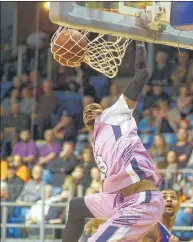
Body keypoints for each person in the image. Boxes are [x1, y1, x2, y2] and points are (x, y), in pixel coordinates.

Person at [62, 41, 163, 242]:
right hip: (120, 200)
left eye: (95, 107)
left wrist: (139, 41)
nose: (90, 109)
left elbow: (142, 74)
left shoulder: (115, 114)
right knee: (76, 206)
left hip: (142, 201)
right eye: (86, 110)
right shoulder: (96, 143)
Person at [85, 190, 180, 242]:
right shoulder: (149, 226)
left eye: (173, 197)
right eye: (164, 197)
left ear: (179, 205)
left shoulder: (169, 234)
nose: (169, 200)